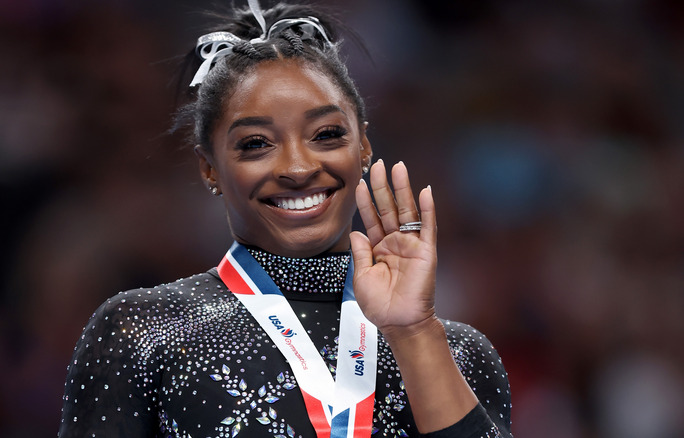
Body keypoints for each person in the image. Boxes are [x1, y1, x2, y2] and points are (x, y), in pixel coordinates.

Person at [59, 1, 512, 437]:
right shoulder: (144, 332)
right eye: (256, 143)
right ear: (209, 167)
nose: (297, 168)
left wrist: (414, 333)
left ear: (363, 147)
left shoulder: (459, 354)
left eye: (327, 134)